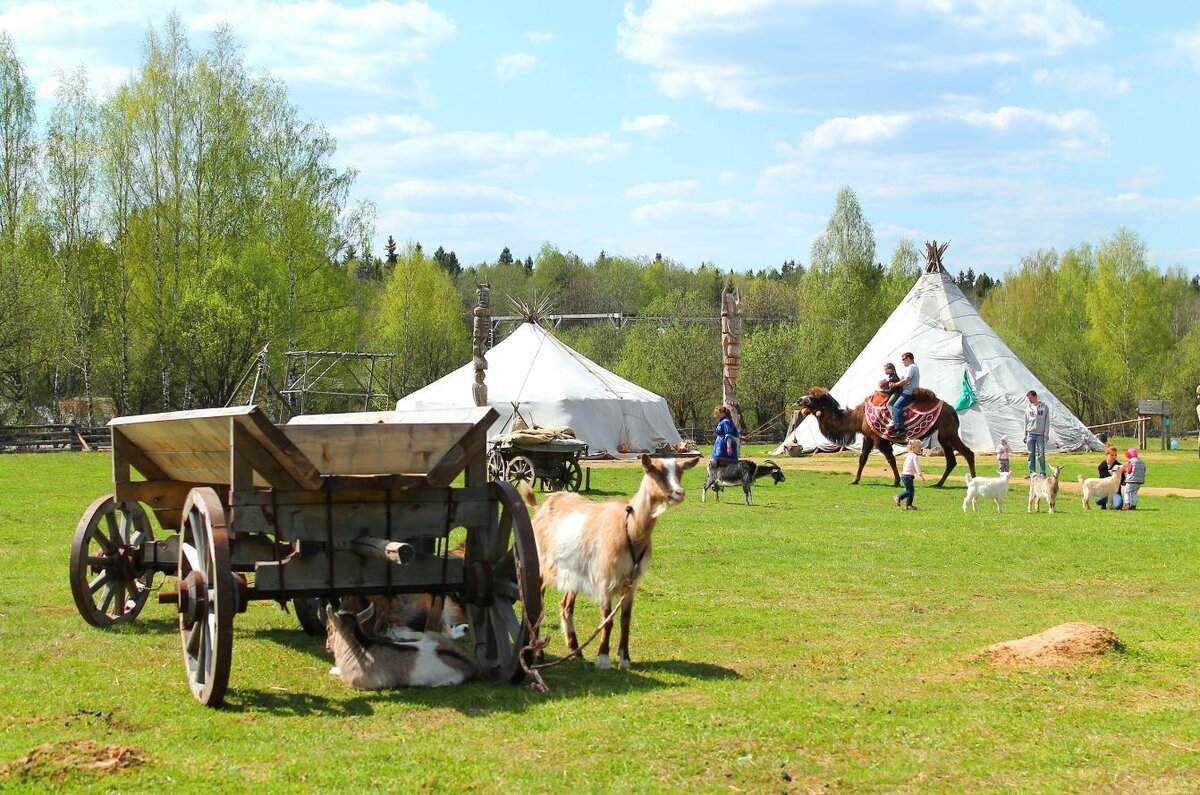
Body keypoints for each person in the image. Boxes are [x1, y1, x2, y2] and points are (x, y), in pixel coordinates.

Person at [888, 352, 920, 435]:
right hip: (909, 391)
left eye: (903, 359)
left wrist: (895, 385)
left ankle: (899, 428)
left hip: (908, 392)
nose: (902, 361)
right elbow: (903, 379)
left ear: (909, 358)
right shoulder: (912, 367)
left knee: (895, 406)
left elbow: (906, 380)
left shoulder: (911, 367)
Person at [893, 439, 926, 510]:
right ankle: (899, 497)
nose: (920, 449)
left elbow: (905, 465)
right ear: (913, 447)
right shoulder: (914, 456)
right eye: (919, 447)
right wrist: (920, 474)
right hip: (908, 476)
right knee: (909, 491)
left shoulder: (909, 455)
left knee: (911, 491)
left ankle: (909, 505)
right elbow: (916, 465)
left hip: (904, 475)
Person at [1023, 390, 1049, 478]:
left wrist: (1046, 433)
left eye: (1030, 397)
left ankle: (1042, 473)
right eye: (1028, 398)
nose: (1029, 399)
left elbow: (1047, 421)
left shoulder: (1044, 407)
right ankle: (1032, 473)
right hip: (1030, 433)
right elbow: (1026, 421)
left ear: (1035, 396)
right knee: (1030, 454)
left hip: (1040, 434)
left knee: (1041, 454)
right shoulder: (1028, 408)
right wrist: (1025, 434)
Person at [1095, 444, 1124, 510]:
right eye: (1112, 455)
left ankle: (1116, 501)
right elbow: (1107, 478)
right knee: (1098, 501)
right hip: (1103, 491)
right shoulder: (1102, 466)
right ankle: (1105, 504)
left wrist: (1128, 477)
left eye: (1115, 455)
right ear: (1106, 455)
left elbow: (1123, 482)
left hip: (1115, 492)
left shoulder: (1119, 465)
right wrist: (1117, 472)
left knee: (1118, 506)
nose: (1114, 457)